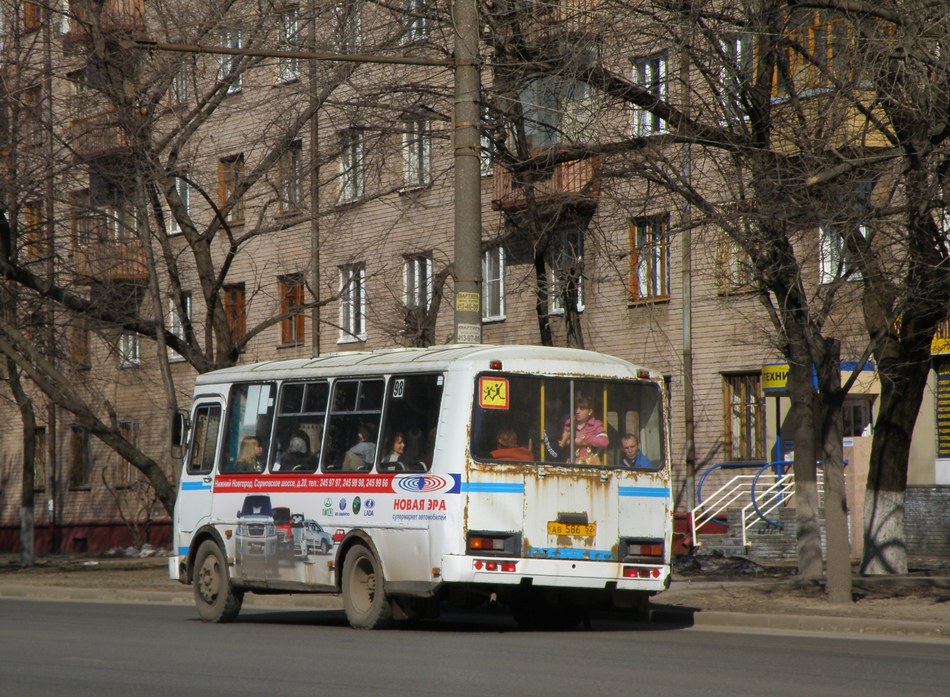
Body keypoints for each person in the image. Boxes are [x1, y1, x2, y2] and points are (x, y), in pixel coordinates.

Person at [559, 397, 608, 464]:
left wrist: (585, 438)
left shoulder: (596, 425)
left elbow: (604, 441)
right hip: (570, 463)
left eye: (581, 409)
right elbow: (561, 440)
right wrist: (573, 442)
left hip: (589, 465)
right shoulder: (569, 423)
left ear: (590, 411)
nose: (577, 411)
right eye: (576, 408)